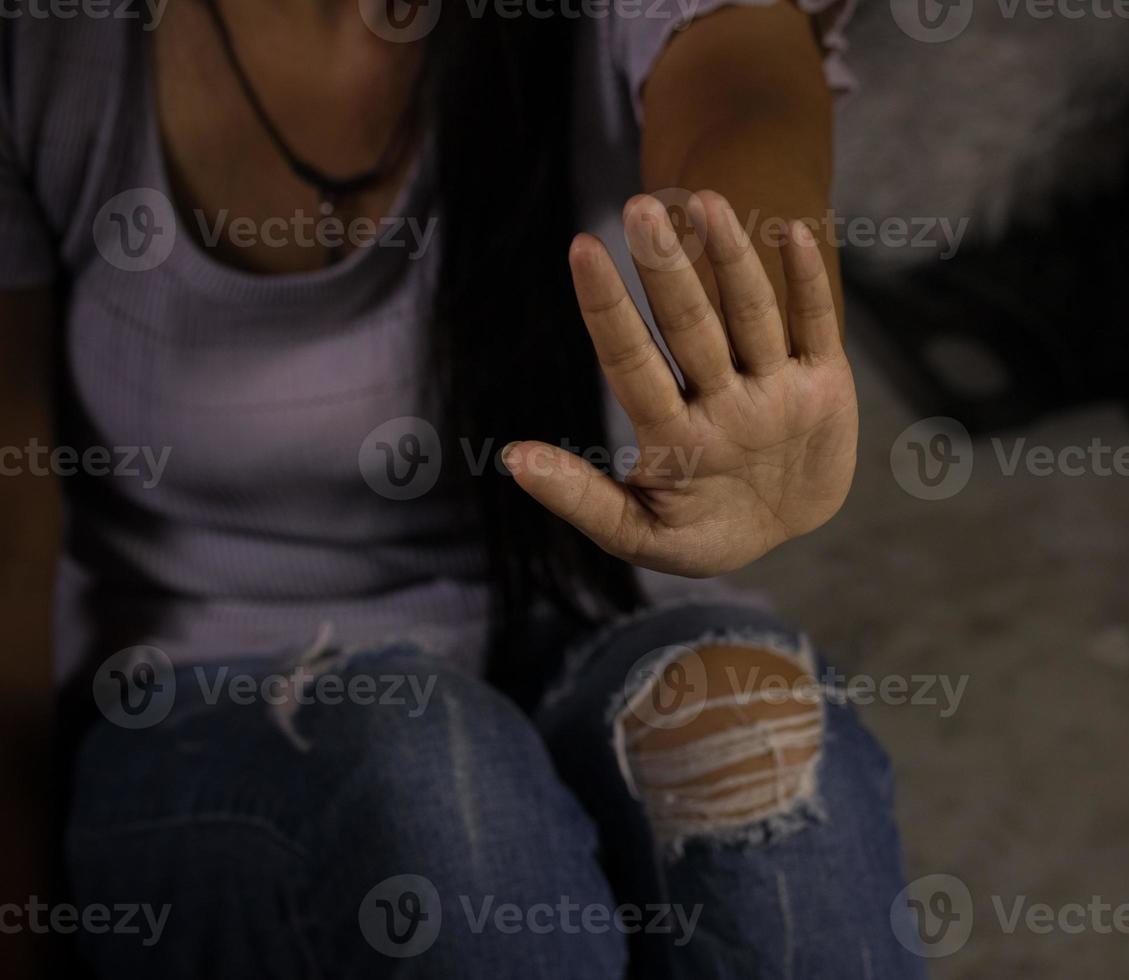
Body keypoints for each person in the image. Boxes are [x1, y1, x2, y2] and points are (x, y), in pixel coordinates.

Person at [0, 0, 927, 975]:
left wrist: (768, 349)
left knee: (751, 729)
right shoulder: (46, 44)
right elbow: (12, 539)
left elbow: (743, 94)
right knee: (427, 769)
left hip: (583, 605)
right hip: (198, 692)